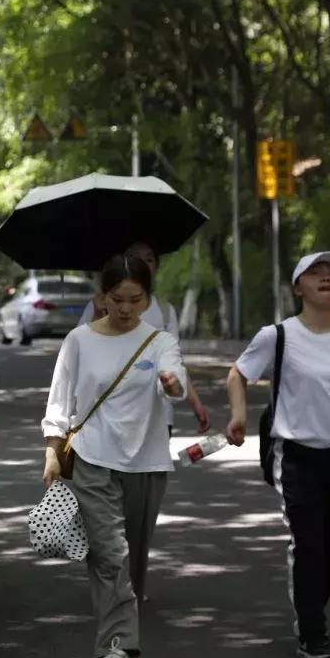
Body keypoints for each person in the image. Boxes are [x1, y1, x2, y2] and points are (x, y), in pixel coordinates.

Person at [225, 251, 330, 658]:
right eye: (315, 273)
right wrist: (239, 416)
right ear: (298, 287)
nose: (326, 278)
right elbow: (238, 375)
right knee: (309, 543)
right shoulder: (278, 335)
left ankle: (310, 606)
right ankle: (312, 631)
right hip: (296, 453)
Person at [42, 254, 186, 658]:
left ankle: (122, 623)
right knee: (110, 553)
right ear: (102, 298)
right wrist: (52, 452)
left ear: (147, 299)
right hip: (91, 458)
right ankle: (117, 648)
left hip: (146, 462)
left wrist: (172, 384)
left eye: (135, 300)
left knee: (133, 557)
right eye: (116, 299)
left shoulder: (160, 341)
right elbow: (59, 400)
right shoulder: (79, 340)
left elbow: (176, 378)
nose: (125, 309)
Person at [77, 240, 209, 601]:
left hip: (152, 424)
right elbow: (78, 365)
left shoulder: (164, 312)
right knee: (105, 515)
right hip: (101, 426)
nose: (144, 264)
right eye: (137, 259)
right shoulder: (96, 309)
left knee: (139, 518)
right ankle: (111, 579)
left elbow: (175, 365)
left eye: (151, 259)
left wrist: (192, 401)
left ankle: (132, 582)